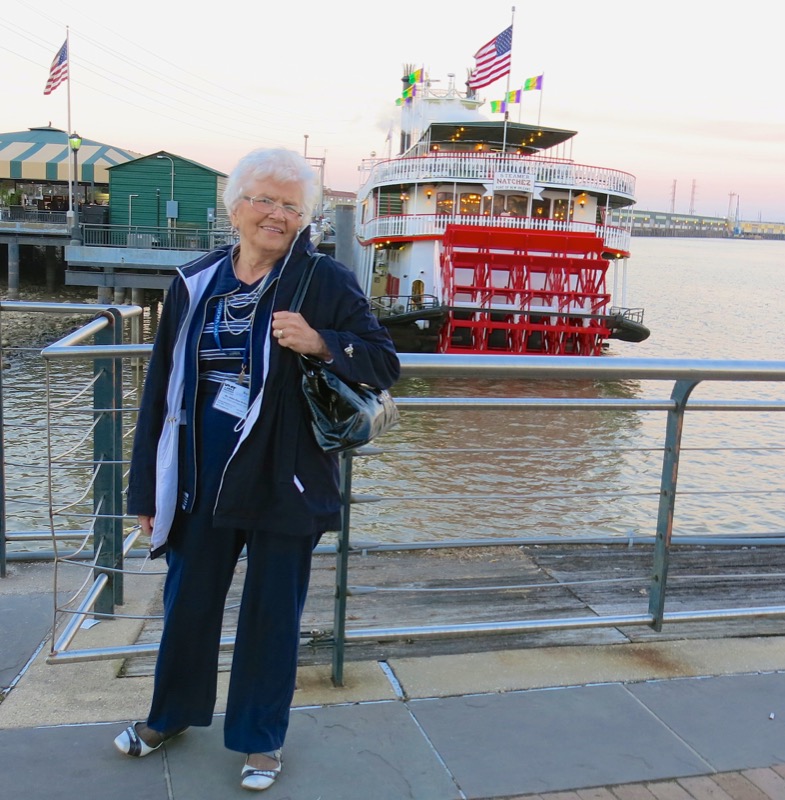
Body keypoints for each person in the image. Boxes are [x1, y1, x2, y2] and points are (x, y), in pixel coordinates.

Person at [113, 148, 400, 791]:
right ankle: (172, 714)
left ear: (307, 218)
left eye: (293, 206)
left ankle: (260, 740)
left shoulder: (324, 281)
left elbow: (383, 363)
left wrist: (324, 343)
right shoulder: (194, 281)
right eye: (265, 200)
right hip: (199, 476)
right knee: (187, 604)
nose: (277, 214)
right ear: (235, 206)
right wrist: (145, 487)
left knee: (272, 616)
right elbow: (160, 392)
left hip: (285, 479)